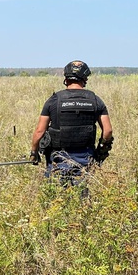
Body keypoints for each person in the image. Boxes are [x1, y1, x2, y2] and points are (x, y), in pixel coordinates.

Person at [29, 60, 113, 188]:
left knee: (56, 196)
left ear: (66, 78)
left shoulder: (54, 100)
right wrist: (100, 153)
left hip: (57, 158)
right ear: (84, 78)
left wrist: (34, 153)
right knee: (83, 196)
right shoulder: (95, 100)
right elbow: (107, 132)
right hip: (85, 157)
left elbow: (39, 131)